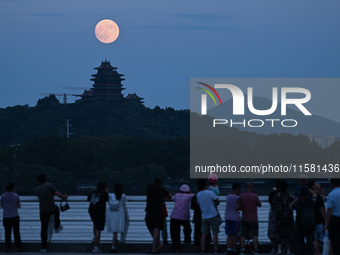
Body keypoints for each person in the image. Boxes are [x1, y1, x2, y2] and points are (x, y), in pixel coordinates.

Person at [35, 173, 68, 253]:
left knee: (44, 229)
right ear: (45, 179)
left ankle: (43, 247)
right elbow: (57, 194)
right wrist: (64, 196)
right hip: (51, 208)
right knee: (56, 209)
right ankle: (57, 226)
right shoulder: (49, 185)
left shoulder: (37, 189)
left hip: (42, 210)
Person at [145, 178, 171, 254]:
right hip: (159, 212)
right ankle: (156, 247)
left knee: (149, 226)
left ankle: (157, 245)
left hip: (150, 210)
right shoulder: (162, 190)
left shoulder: (149, 188)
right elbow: (169, 196)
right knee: (157, 229)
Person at [196, 179, 220, 255]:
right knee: (215, 233)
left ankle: (202, 250)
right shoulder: (210, 193)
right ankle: (215, 250)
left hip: (204, 216)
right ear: (205, 185)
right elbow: (218, 201)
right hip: (212, 215)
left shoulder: (198, 194)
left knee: (204, 234)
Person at [170, 184, 194, 253]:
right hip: (184, 217)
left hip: (174, 216)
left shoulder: (176, 195)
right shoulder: (190, 196)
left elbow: (173, 199)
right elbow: (195, 196)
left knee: (175, 233)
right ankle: (187, 243)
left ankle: (176, 249)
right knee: (187, 230)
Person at [271, 180, 294, 255]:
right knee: (288, 233)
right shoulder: (289, 195)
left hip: (279, 217)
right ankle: (288, 250)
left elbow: (273, 205)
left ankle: (279, 249)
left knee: (279, 233)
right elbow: (293, 205)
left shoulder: (277, 195)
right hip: (288, 216)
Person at [239, 181, 261, 255]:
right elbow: (259, 204)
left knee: (243, 235)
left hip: (245, 218)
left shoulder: (241, 196)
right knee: (255, 235)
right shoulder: (255, 196)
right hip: (253, 218)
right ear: (251, 187)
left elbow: (240, 206)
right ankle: (256, 249)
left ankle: (242, 249)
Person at [106, 183, 129, 253]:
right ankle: (113, 247)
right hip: (119, 215)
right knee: (116, 231)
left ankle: (114, 243)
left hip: (112, 215)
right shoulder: (123, 196)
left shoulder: (110, 195)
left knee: (114, 231)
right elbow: (127, 200)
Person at [88, 181, 109, 253]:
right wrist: (107, 191)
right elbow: (109, 199)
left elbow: (88, 199)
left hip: (91, 211)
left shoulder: (92, 192)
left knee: (95, 224)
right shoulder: (104, 193)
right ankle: (96, 247)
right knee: (98, 229)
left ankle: (94, 238)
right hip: (100, 212)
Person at [292, 186, 315, 255]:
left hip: (300, 225)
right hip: (310, 225)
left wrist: (296, 199)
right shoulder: (311, 202)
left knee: (300, 243)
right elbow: (314, 195)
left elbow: (290, 206)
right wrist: (308, 189)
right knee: (310, 242)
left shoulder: (298, 203)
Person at [1, 182, 22, 252]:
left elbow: (1, 205)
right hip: (15, 216)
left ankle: (8, 247)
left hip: (6, 216)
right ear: (13, 188)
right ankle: (18, 247)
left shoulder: (3, 196)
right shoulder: (16, 196)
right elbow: (19, 206)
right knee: (16, 232)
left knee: (7, 233)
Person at [191, 180, 212, 248]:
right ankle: (207, 243)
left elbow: (192, 207)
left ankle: (197, 243)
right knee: (206, 230)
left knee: (197, 230)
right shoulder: (208, 195)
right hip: (206, 215)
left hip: (197, 216)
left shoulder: (196, 196)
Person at [308, 180, 326, 255]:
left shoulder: (310, 196)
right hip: (319, 220)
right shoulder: (318, 197)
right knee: (324, 238)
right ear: (313, 186)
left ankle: (317, 253)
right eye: (316, 184)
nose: (319, 185)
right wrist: (326, 220)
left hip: (312, 220)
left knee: (316, 239)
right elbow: (322, 210)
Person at [324, 178, 340, 255]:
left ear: (331, 184)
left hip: (335, 220)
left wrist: (327, 222)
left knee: (335, 241)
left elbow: (329, 210)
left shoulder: (331, 194)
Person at [224, 183, 241, 255]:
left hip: (227, 217)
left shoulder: (228, 196)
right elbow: (240, 207)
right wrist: (237, 209)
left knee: (229, 234)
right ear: (237, 189)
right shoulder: (238, 198)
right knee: (235, 234)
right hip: (235, 217)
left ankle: (228, 249)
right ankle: (234, 249)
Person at [267, 180, 281, 254]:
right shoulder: (284, 194)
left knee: (272, 232)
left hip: (273, 213)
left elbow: (270, 201)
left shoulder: (272, 193)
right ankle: (281, 248)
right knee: (281, 231)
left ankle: (274, 248)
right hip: (282, 214)